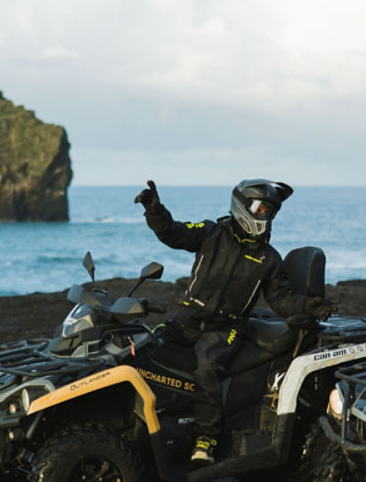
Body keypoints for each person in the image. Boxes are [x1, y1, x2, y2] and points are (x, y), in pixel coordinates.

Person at [136, 179, 333, 464]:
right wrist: (155, 211)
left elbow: (281, 299)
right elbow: (173, 233)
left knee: (207, 368)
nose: (266, 215)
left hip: (226, 328)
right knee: (146, 347)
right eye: (261, 207)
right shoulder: (210, 232)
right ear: (242, 205)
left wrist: (308, 306)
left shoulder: (268, 258)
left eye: (270, 211)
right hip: (190, 316)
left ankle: (206, 441)